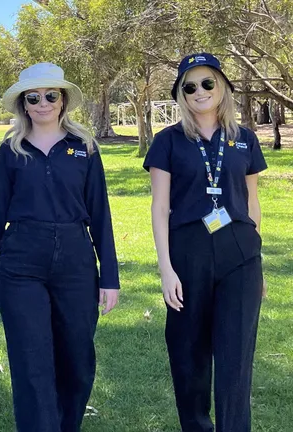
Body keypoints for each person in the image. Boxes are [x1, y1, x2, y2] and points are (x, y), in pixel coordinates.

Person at [0, 62, 120, 432]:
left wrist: (109, 277)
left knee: (78, 361)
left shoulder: (85, 148)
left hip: (76, 261)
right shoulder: (11, 150)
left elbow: (100, 213)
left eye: (50, 95)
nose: (42, 103)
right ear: (23, 103)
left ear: (63, 99)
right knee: (31, 361)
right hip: (21, 263)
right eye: (33, 97)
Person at [143, 53, 267, 432]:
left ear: (222, 87)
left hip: (240, 253)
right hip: (188, 252)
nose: (200, 92)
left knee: (235, 356)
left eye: (207, 83)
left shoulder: (243, 139)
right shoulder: (168, 141)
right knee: (188, 354)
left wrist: (256, 261)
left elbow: (252, 202)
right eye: (190, 86)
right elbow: (160, 207)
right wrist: (166, 269)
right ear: (181, 94)